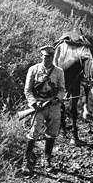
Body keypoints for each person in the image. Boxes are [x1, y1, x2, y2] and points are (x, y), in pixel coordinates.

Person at [22, 45, 66, 175]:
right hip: (38, 106)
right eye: (45, 56)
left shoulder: (59, 72)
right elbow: (28, 89)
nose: (47, 59)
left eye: (50, 56)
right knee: (33, 133)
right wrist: (34, 103)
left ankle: (47, 160)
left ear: (53, 57)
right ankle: (26, 161)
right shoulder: (33, 69)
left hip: (53, 106)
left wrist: (58, 98)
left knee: (52, 133)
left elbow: (62, 89)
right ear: (41, 56)